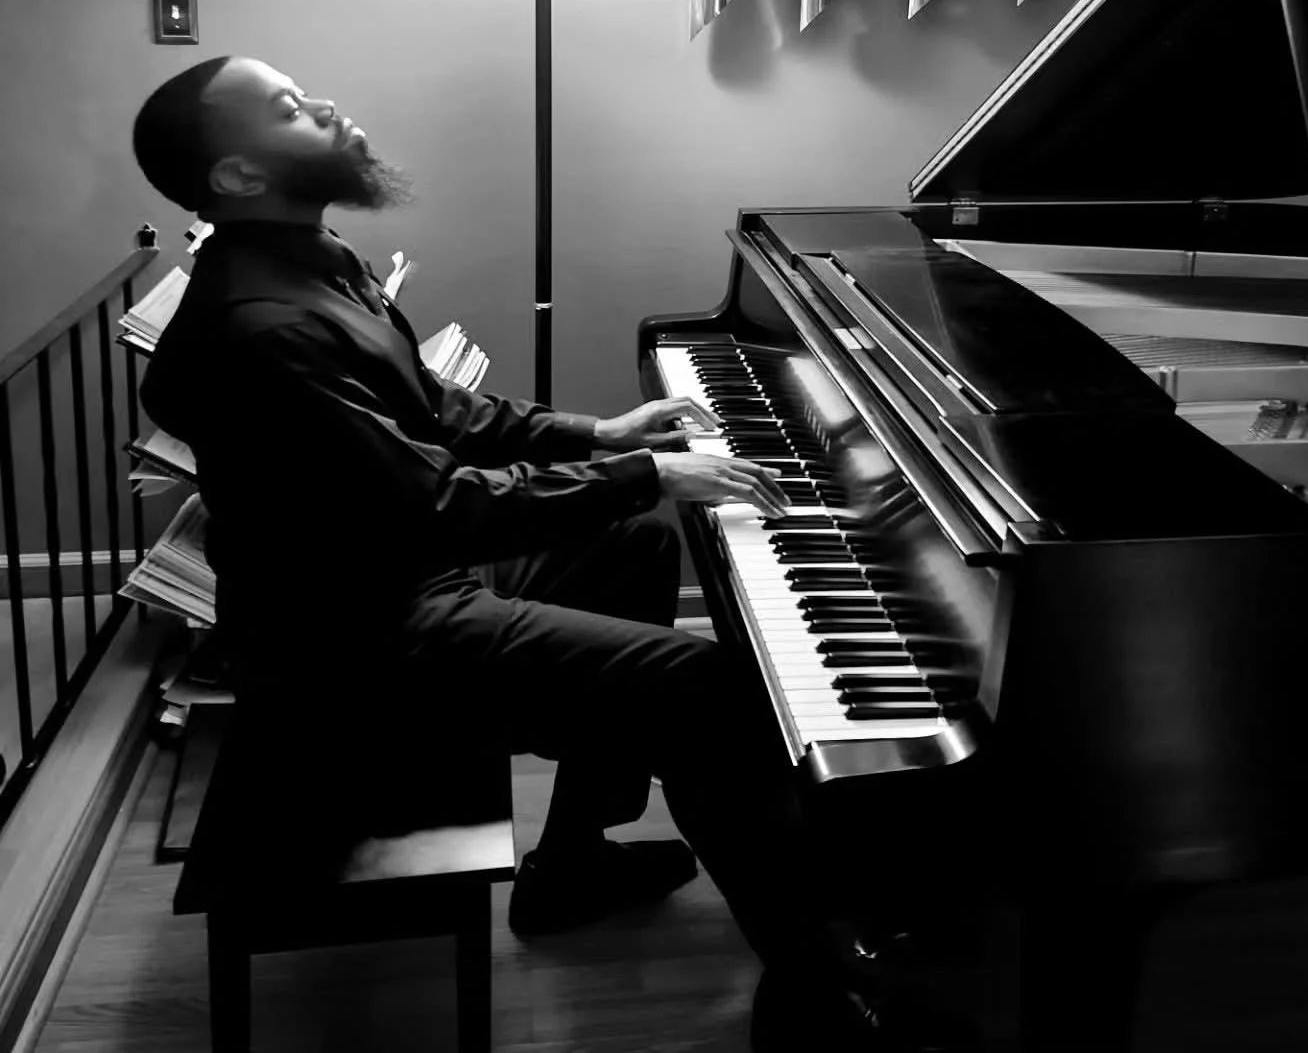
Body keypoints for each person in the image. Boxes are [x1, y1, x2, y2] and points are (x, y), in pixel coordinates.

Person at [131, 55, 901, 1050]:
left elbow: (445, 413)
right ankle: (813, 986)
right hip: (353, 642)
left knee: (628, 549)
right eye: (288, 107)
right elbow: (436, 505)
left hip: (389, 578)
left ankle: (574, 860)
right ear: (236, 175)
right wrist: (649, 473)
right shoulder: (263, 328)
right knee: (713, 694)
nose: (325, 102)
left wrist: (602, 436)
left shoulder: (306, 262)